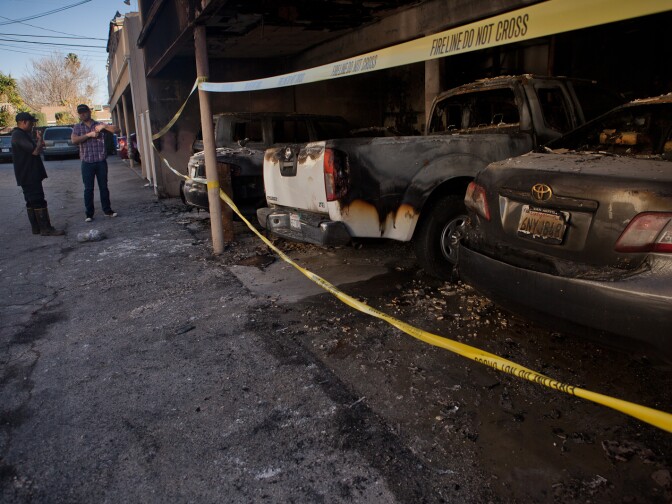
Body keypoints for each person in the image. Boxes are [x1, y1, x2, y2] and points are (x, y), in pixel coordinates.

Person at [11, 112, 65, 236]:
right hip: (29, 175)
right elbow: (35, 151)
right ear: (24, 122)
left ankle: (36, 228)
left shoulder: (22, 134)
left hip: (27, 174)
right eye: (31, 122)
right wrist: (40, 140)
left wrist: (39, 142)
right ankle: (46, 229)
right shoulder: (18, 135)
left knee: (31, 201)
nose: (33, 125)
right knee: (38, 200)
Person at [71, 104, 121, 222]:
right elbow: (74, 140)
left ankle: (107, 210)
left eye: (85, 112)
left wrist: (104, 127)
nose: (83, 114)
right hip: (87, 162)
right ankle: (89, 214)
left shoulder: (99, 124)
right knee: (88, 189)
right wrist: (89, 135)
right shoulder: (77, 127)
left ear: (89, 112)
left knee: (103, 187)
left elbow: (117, 130)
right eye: (80, 113)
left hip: (100, 161)